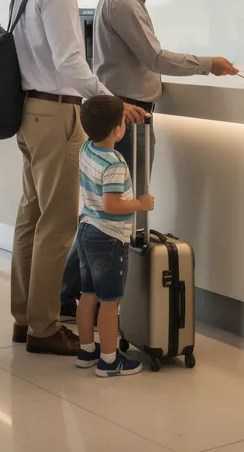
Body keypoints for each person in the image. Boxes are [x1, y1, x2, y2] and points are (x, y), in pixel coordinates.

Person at [59, 0, 237, 314]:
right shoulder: (123, 2)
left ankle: (78, 295)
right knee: (116, 213)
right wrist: (208, 65)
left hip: (128, 113)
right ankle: (88, 296)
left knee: (101, 213)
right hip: (129, 118)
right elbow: (155, 58)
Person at [9, 0, 147, 357]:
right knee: (59, 222)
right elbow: (71, 63)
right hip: (54, 114)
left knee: (31, 217)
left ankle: (25, 316)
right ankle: (45, 327)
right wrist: (111, 100)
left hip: (30, 113)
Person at [72, 95, 154, 377]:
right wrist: (141, 204)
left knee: (87, 294)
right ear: (117, 130)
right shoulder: (115, 163)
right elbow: (113, 205)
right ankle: (109, 360)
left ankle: (87, 350)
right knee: (110, 301)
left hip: (85, 230)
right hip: (108, 238)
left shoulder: (86, 148)